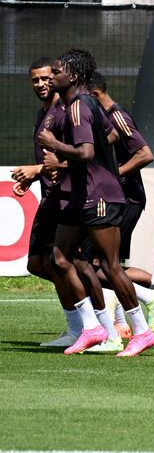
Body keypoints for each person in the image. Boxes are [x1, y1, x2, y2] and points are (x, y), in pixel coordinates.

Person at [40, 48, 154, 356]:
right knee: (60, 259)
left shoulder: (78, 106)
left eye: (56, 71)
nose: (51, 76)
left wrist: (55, 146)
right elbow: (110, 133)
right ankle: (91, 328)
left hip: (99, 196)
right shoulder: (79, 105)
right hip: (81, 195)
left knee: (109, 266)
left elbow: (87, 152)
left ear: (73, 76)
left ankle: (142, 332)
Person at [87, 71, 154, 334]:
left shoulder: (117, 116)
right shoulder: (102, 118)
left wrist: (112, 175)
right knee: (107, 265)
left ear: (95, 94)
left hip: (126, 198)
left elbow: (145, 154)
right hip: (115, 198)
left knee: (100, 265)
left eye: (85, 98)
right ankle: (127, 318)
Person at [11, 57, 81, 347]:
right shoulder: (44, 114)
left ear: (57, 78)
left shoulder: (65, 112)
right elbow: (51, 162)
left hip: (68, 199)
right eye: (35, 80)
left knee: (65, 264)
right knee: (37, 264)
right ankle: (85, 321)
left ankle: (88, 325)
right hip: (51, 197)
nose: (41, 84)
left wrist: (37, 170)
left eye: (45, 79)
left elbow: (77, 156)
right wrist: (33, 176)